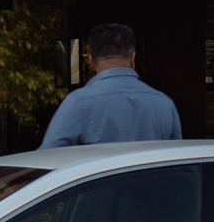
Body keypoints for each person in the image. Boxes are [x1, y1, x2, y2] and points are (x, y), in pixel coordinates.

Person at [42, 23, 183, 149]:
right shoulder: (165, 104)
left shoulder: (78, 102)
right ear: (133, 58)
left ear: (91, 61)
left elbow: (48, 159)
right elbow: (177, 162)